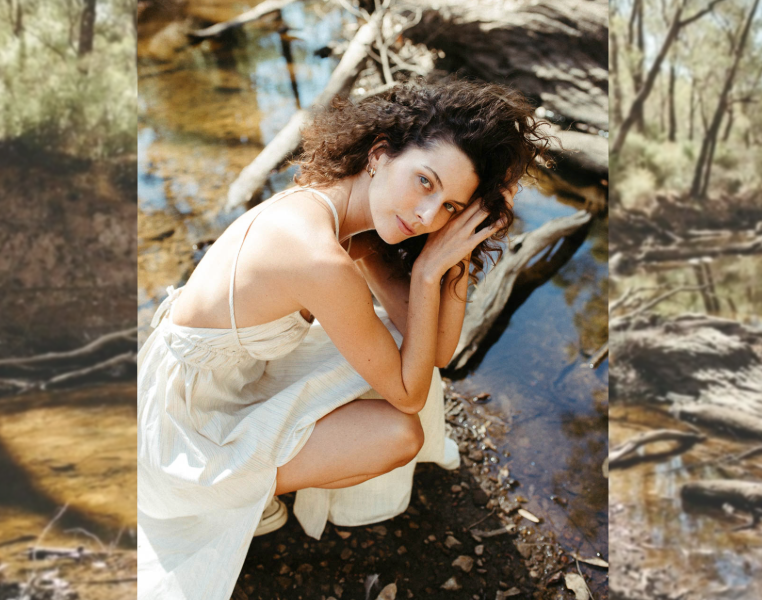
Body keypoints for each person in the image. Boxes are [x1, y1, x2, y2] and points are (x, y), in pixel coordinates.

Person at [137, 79, 550, 599]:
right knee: (399, 432)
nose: (427, 216)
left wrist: (459, 249)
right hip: (181, 440)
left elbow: (436, 351)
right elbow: (410, 392)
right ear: (379, 154)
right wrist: (427, 273)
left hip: (218, 390)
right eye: (424, 181)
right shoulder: (315, 254)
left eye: (450, 207)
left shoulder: (350, 216)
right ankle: (237, 493)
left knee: (403, 347)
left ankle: (255, 478)